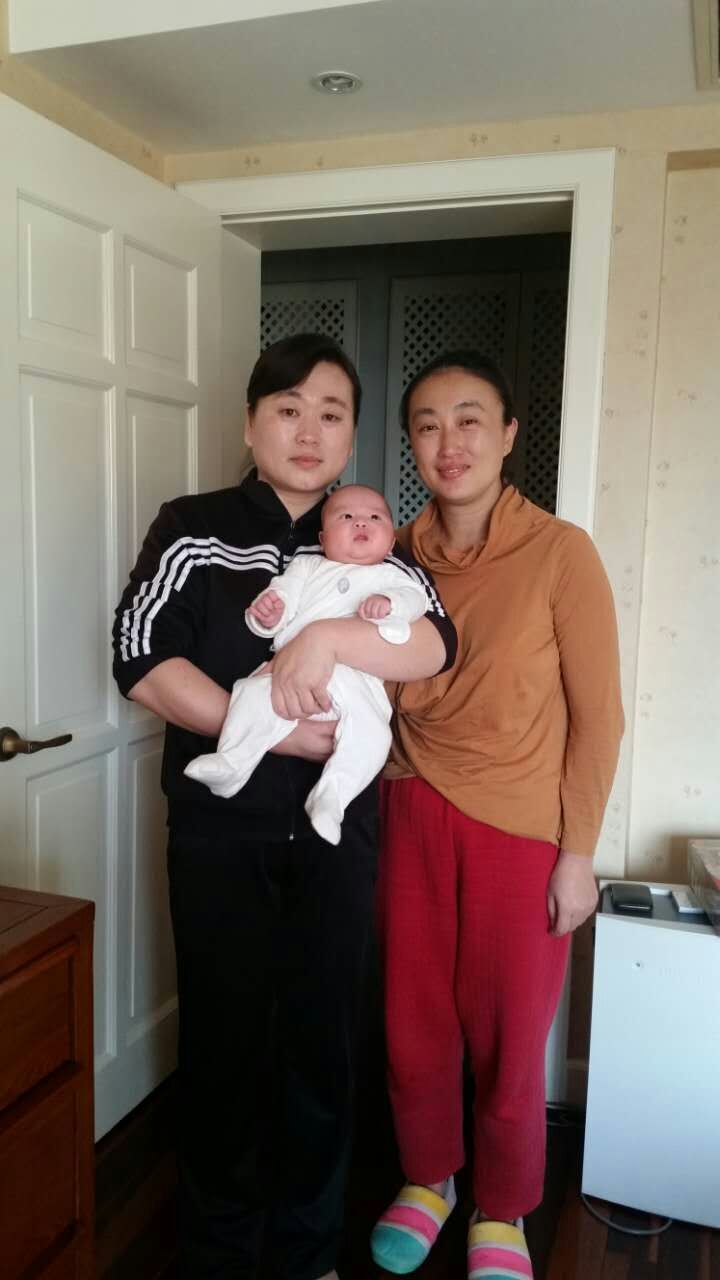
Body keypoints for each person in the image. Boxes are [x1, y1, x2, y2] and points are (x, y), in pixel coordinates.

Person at [111, 333, 457, 1280]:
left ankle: (309, 1250)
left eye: (331, 413)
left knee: (322, 1039)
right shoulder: (194, 526)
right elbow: (139, 656)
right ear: (251, 424)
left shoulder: (368, 534)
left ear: (352, 435)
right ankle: (220, 1246)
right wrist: (263, 731)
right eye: (289, 409)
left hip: (337, 837)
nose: (309, 431)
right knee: (223, 1039)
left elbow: (436, 643)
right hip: (219, 834)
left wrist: (331, 637)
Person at [369, 351, 624, 1280]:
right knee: (413, 1022)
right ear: (411, 443)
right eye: (429, 424)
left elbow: (599, 716)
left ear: (510, 434)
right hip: (407, 809)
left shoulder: (561, 553)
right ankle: (429, 1176)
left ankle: (504, 1207)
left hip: (521, 830)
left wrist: (578, 852)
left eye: (470, 419)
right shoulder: (390, 552)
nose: (451, 442)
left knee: (511, 1033)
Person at [185, 484, 429, 846]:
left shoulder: (392, 577)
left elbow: (416, 600)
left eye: (375, 517)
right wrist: (270, 612)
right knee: (249, 695)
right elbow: (282, 594)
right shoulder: (307, 566)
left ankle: (332, 798)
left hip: (355, 682)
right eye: (347, 516)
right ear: (323, 539)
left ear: (391, 542)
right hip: (288, 673)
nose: (361, 522)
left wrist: (391, 604)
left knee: (374, 735)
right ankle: (232, 763)